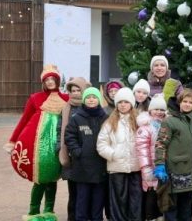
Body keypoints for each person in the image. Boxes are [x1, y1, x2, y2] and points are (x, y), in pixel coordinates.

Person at [5, 64, 69, 221]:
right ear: (43, 82)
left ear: (57, 80)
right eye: (47, 80)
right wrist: (13, 140)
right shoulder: (35, 98)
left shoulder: (66, 99)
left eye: (53, 79)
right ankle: (33, 211)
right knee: (40, 179)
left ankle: (49, 211)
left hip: (57, 146)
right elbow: (24, 119)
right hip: (37, 147)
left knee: (53, 178)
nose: (50, 82)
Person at [154, 88, 192, 221]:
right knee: (171, 208)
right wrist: (159, 165)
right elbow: (160, 144)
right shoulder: (169, 121)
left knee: (186, 208)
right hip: (175, 172)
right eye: (185, 101)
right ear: (179, 102)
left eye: (191, 102)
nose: (187, 104)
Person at [97, 87, 142, 221]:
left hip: (135, 168)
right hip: (117, 169)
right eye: (120, 102)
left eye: (126, 102)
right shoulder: (110, 123)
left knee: (135, 202)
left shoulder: (139, 121)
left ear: (131, 104)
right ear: (116, 104)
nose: (123, 105)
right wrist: (113, 154)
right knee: (118, 202)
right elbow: (101, 144)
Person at [65, 87, 109, 221]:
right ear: (84, 99)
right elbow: (69, 136)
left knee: (98, 201)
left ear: (98, 100)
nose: (91, 99)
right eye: (88, 97)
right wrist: (77, 152)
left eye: (94, 97)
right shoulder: (76, 118)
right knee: (82, 200)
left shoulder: (105, 117)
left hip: (100, 166)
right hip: (82, 167)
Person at [59, 77, 88, 221]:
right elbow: (60, 130)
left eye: (78, 90)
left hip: (87, 157)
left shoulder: (90, 105)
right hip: (71, 156)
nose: (76, 93)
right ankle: (72, 217)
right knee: (73, 191)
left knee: (86, 191)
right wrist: (60, 148)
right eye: (73, 90)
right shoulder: (66, 108)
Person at [136, 94, 167, 220]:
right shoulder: (145, 127)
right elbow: (142, 149)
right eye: (156, 109)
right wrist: (147, 169)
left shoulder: (166, 125)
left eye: (162, 110)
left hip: (163, 167)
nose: (159, 112)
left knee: (161, 195)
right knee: (151, 195)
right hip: (150, 168)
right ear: (150, 110)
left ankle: (159, 216)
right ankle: (150, 217)